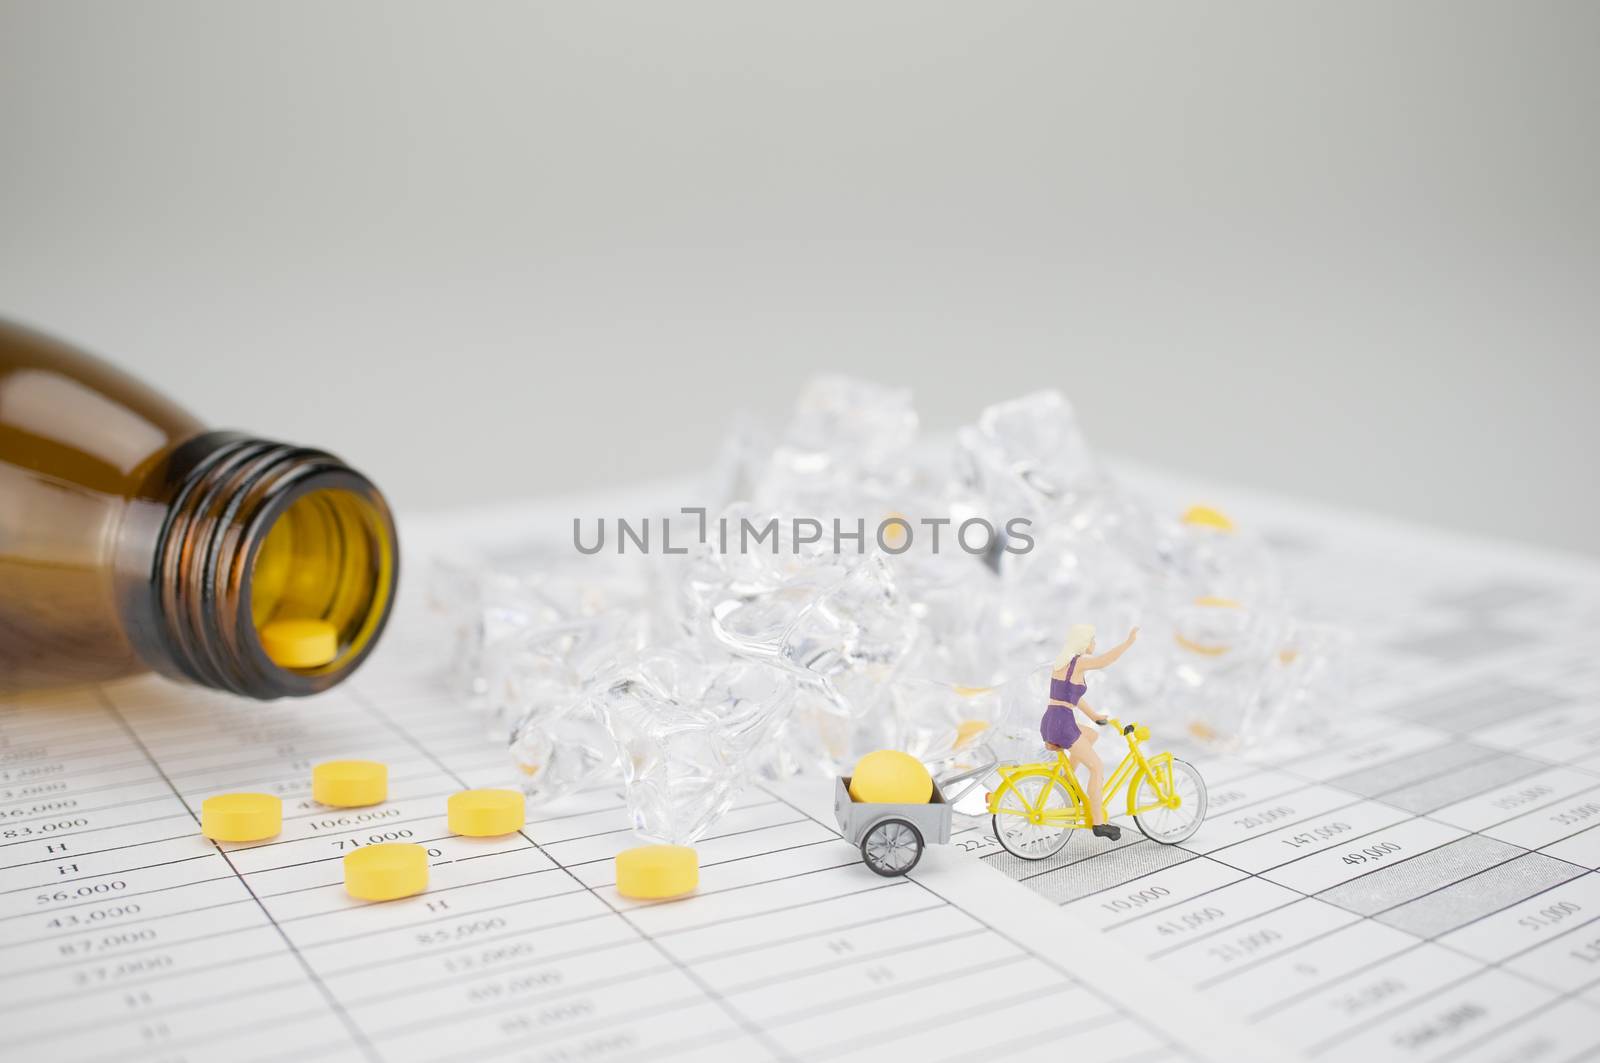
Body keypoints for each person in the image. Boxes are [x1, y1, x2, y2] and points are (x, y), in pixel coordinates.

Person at [1041, 623, 1139, 841]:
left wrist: (1094, 715)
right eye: (1092, 640)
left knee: (1091, 735)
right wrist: (1128, 643)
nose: (1095, 644)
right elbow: (1105, 661)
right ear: (1083, 642)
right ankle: (1099, 822)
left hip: (1051, 720)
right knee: (1097, 767)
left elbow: (1070, 696)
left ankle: (1068, 783)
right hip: (1063, 724)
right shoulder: (1079, 662)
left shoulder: (1061, 663)